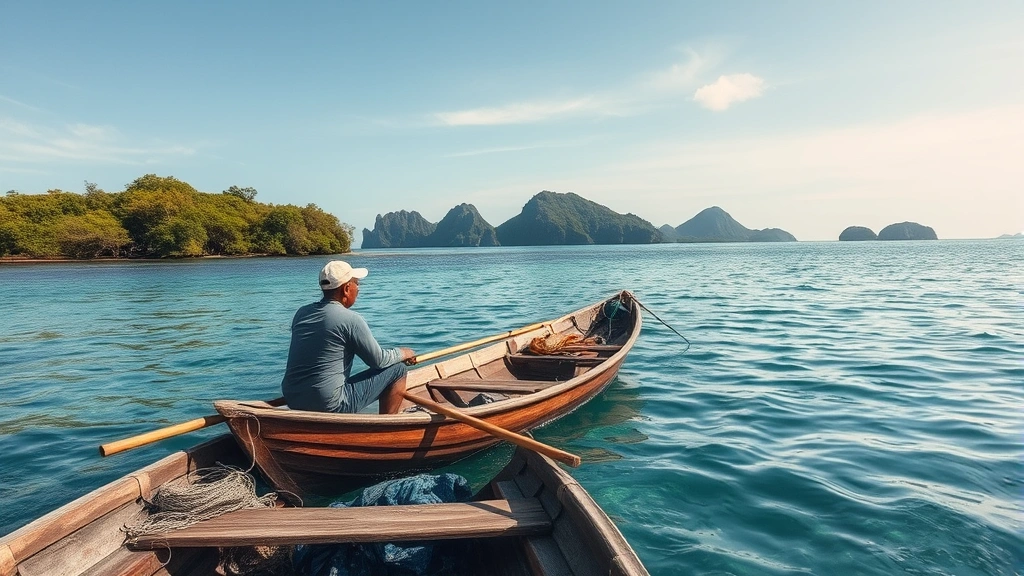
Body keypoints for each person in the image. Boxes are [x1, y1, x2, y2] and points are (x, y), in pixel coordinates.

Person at [281, 260, 416, 414]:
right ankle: (386, 426)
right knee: (398, 369)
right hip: (329, 405)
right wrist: (405, 353)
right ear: (346, 289)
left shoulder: (302, 313)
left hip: (292, 399)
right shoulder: (351, 320)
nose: (358, 289)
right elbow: (378, 360)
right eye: (357, 284)